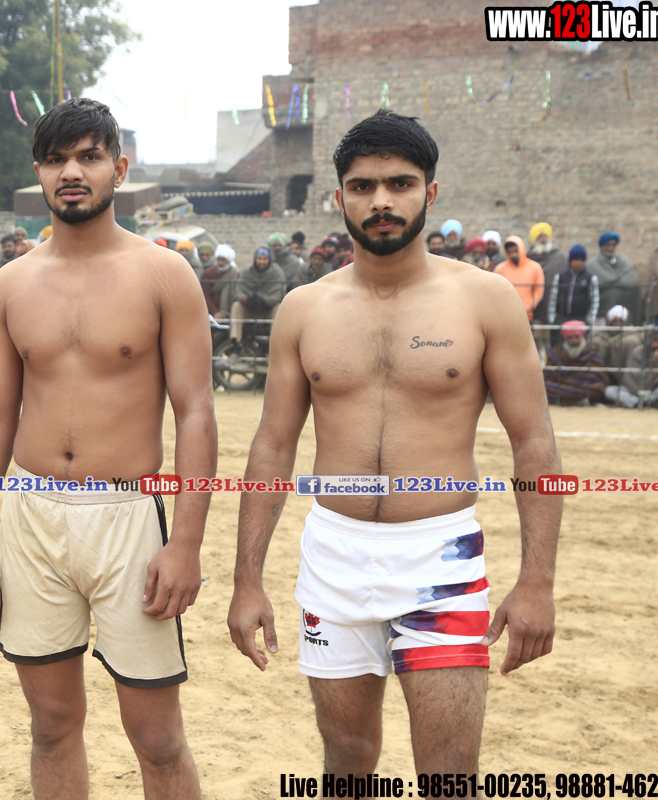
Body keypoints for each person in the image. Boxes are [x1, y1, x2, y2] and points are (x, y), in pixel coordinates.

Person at [227, 109, 560, 777]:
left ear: (429, 193)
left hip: (441, 559)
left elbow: (535, 445)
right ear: (339, 197)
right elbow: (273, 447)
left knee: (448, 773)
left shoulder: (486, 300)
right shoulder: (304, 308)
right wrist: (246, 579)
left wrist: (537, 583)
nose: (381, 201)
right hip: (333, 557)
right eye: (363, 186)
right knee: (346, 761)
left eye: (400, 184)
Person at [0, 97, 215, 800]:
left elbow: (195, 413)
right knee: (51, 725)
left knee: (157, 739)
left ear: (118, 169)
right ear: (39, 172)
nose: (72, 172)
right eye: (56, 159)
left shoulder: (164, 275)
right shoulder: (12, 283)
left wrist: (186, 544)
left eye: (88, 157)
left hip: (128, 515)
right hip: (34, 516)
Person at [494, 236, 546, 355]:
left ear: (521, 249)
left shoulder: (535, 268)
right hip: (506, 318)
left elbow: (539, 290)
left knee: (526, 350)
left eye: (515, 251)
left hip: (527, 317)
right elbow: (496, 292)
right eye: (510, 252)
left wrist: (527, 307)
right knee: (506, 350)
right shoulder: (500, 269)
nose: (513, 255)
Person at [227, 246, 286, 348]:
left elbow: (279, 295)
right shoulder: (247, 271)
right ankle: (235, 344)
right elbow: (238, 292)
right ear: (255, 259)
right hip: (250, 310)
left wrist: (263, 301)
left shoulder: (277, 272)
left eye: (265, 259)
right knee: (236, 306)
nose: (262, 262)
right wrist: (247, 300)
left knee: (278, 307)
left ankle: (275, 345)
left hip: (268, 310)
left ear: (270, 259)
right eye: (259, 258)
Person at [605, 330, 658, 408]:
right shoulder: (638, 352)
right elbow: (634, 375)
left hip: (653, 391)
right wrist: (653, 361)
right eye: (656, 341)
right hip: (632, 391)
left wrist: (656, 361)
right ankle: (647, 403)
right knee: (609, 391)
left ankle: (639, 403)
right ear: (649, 341)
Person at [543, 320, 607, 406]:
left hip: (584, 386)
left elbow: (599, 375)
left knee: (599, 388)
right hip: (562, 385)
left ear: (582, 337)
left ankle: (565, 400)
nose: (574, 340)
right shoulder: (557, 352)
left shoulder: (591, 350)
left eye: (577, 337)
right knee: (544, 387)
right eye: (570, 338)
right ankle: (577, 401)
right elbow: (548, 375)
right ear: (565, 338)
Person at [546, 245, 598, 345]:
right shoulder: (560, 277)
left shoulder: (590, 278)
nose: (578, 263)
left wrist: (590, 319)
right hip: (561, 317)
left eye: (581, 260)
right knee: (558, 344)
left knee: (579, 345)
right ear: (570, 260)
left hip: (581, 318)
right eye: (575, 259)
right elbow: (553, 298)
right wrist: (552, 318)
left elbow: (595, 300)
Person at [585, 232, 641, 326]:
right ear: (602, 246)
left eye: (614, 245)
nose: (611, 248)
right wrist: (619, 284)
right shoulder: (592, 265)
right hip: (603, 312)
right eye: (608, 245)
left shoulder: (623, 261)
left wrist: (613, 283)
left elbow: (633, 280)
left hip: (624, 308)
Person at [590, 305, 642, 389]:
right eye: (614, 321)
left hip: (627, 379)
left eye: (621, 321)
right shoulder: (602, 334)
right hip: (602, 377)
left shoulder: (632, 335)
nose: (618, 324)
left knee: (631, 342)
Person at [201, 243, 241, 323]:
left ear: (228, 260)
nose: (220, 262)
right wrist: (215, 312)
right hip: (211, 313)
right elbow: (205, 295)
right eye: (219, 259)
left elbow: (238, 294)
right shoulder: (209, 273)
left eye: (223, 260)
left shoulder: (235, 274)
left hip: (231, 311)